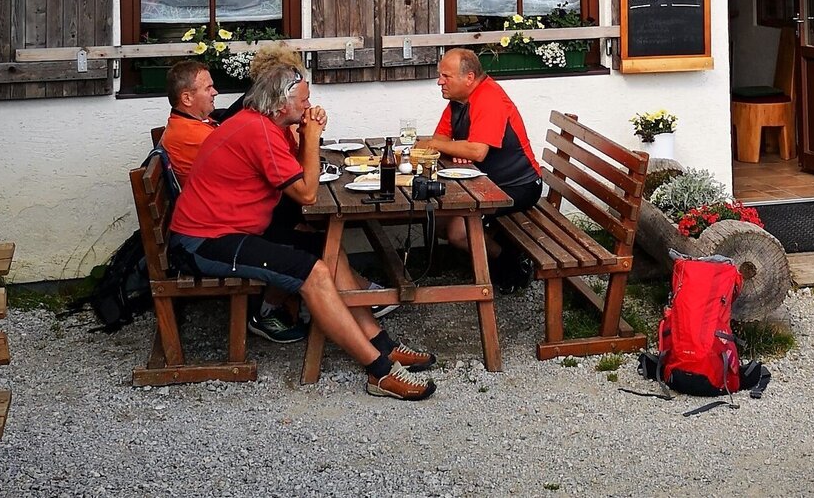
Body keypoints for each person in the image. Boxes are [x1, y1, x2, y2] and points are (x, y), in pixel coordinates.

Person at [167, 62, 437, 400]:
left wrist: (302, 134)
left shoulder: (265, 125)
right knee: (314, 272)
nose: (310, 106)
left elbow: (295, 171)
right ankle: (379, 371)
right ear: (282, 103)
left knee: (328, 247)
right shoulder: (258, 131)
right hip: (204, 241)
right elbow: (307, 193)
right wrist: (312, 136)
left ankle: (381, 343)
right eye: (304, 100)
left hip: (236, 230)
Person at [420, 48, 542, 291]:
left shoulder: (489, 98)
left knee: (458, 232)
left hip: (518, 185)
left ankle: (511, 263)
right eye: (440, 75)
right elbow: (441, 139)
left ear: (469, 78)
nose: (439, 82)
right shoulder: (458, 101)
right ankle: (494, 256)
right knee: (437, 219)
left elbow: (476, 151)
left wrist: (454, 147)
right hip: (486, 184)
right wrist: (456, 148)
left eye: (446, 76)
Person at [160, 60, 219, 181]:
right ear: (187, 98)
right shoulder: (194, 135)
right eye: (208, 88)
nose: (215, 92)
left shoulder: (181, 122)